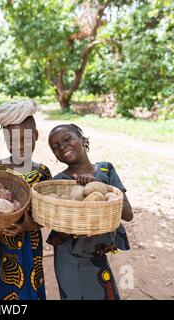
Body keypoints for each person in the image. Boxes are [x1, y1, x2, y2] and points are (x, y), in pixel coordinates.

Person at [47, 123, 133, 300]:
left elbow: (127, 214)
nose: (62, 147)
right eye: (55, 147)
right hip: (70, 258)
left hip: (97, 255)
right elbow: (61, 227)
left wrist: (99, 187)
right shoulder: (59, 182)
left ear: (82, 138)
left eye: (67, 139)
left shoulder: (105, 170)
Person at [0, 100, 51, 300]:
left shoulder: (42, 173)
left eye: (25, 139)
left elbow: (48, 213)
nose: (19, 146)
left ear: (35, 136)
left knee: (27, 286)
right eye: (11, 141)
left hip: (28, 243)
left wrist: (29, 225)